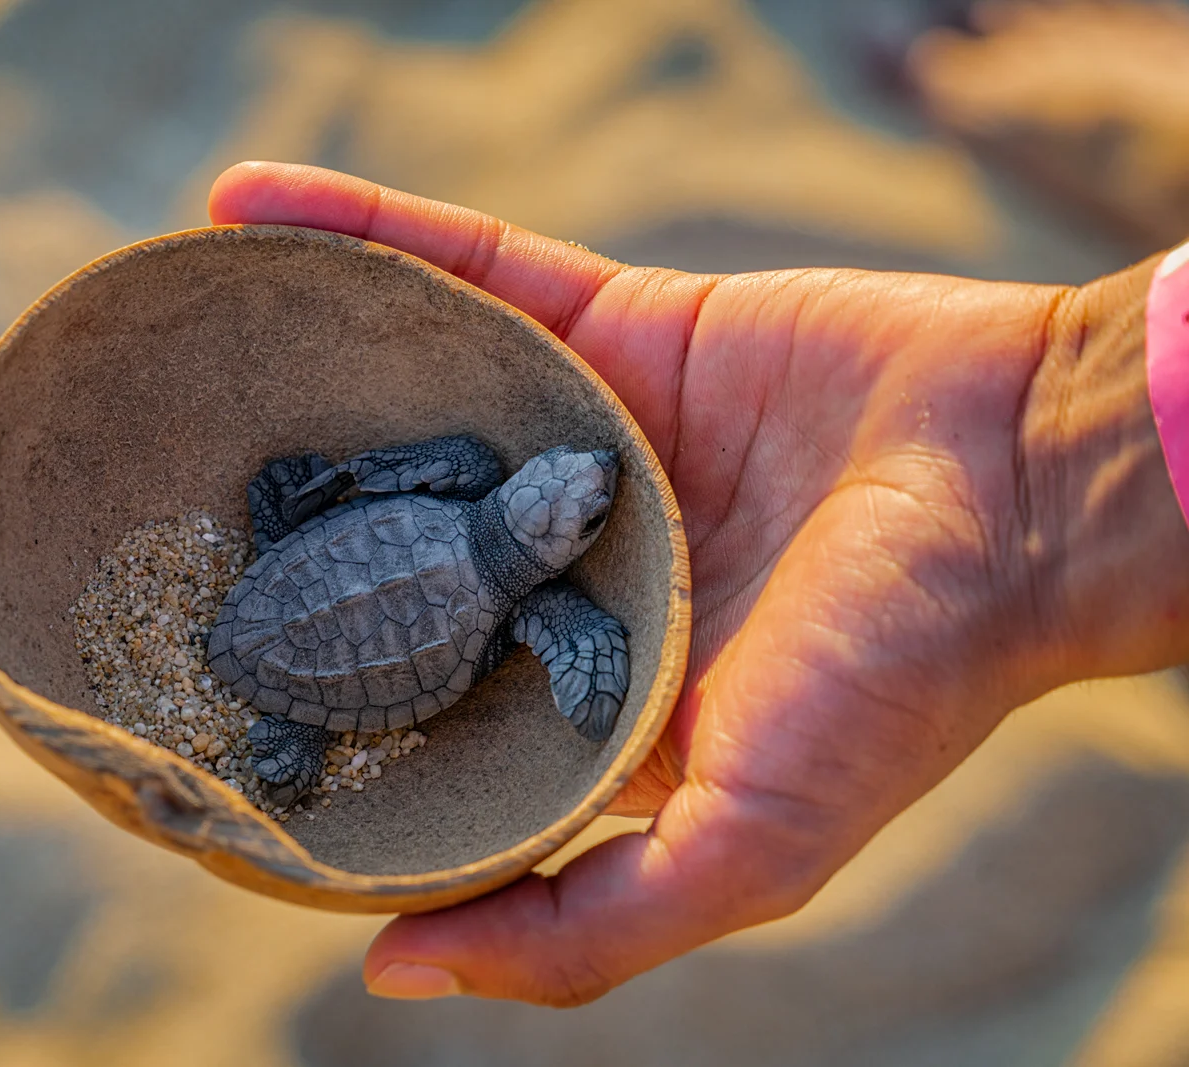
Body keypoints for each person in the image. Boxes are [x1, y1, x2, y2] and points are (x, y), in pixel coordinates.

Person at [206, 160, 1189, 1007]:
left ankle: (286, 643)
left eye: (583, 497)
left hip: (345, 561)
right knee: (350, 703)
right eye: (586, 507)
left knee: (330, 513)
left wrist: (1043, 442)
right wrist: (1044, 435)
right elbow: (594, 691)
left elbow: (387, 489)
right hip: (351, 645)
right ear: (539, 528)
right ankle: (292, 729)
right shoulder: (536, 593)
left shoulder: (463, 481)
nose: (598, 476)